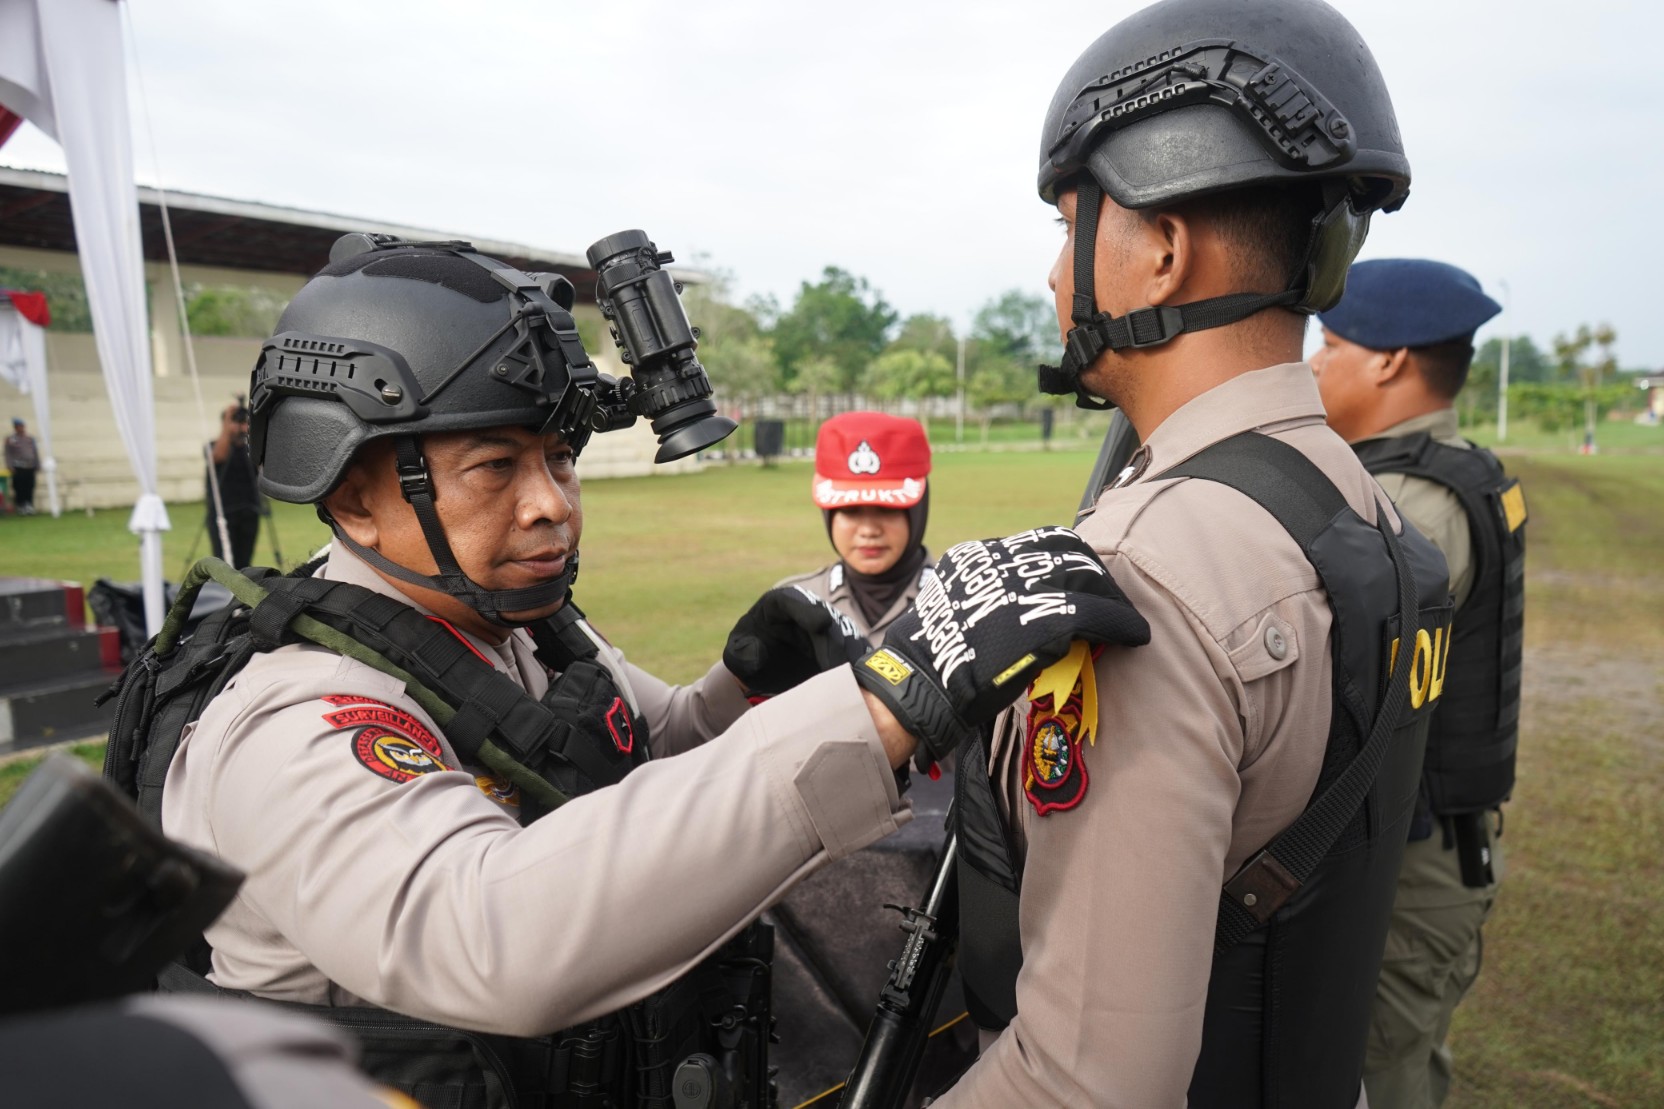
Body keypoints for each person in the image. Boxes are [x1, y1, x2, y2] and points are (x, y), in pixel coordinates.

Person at [127, 233, 1133, 1108]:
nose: (551, 504)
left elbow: (652, 747)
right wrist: (886, 698)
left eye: (558, 458)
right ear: (353, 498)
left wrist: (743, 683)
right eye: (495, 467)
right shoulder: (298, 717)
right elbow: (491, 930)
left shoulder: (519, 629)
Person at [928, 1, 1459, 1105]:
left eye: (1070, 223)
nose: (1049, 274)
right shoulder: (1370, 510)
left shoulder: (1145, 567)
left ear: (1160, 252)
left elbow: (1085, 1078)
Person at [1312, 259, 1523, 1109]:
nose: (1315, 365)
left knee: (1372, 1077)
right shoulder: (1456, 467)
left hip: (1407, 867)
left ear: (1388, 360)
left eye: (1329, 344)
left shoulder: (1407, 505)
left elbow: (1342, 700)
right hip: (1429, 847)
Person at [777, 411, 934, 643]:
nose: (868, 530)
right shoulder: (793, 603)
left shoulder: (965, 607)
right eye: (850, 510)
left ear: (918, 512)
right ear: (828, 515)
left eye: (887, 509)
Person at [206, 400, 266, 568]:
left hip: (249, 511)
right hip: (222, 514)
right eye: (235, 421)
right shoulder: (213, 446)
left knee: (244, 562)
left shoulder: (250, 449)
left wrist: (252, 430)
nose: (239, 425)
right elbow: (218, 457)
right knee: (224, 563)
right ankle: (223, 592)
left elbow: (263, 465)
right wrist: (227, 426)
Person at [5, 417, 38, 515]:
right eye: (19, 426)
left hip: (30, 466)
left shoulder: (29, 439)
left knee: (30, 486)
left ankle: (29, 505)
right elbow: (8, 453)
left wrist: (37, 464)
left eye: (22, 426)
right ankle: (21, 505)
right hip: (18, 467)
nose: (21, 428)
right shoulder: (11, 439)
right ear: (15, 427)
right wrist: (9, 465)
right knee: (19, 487)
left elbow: (35, 452)